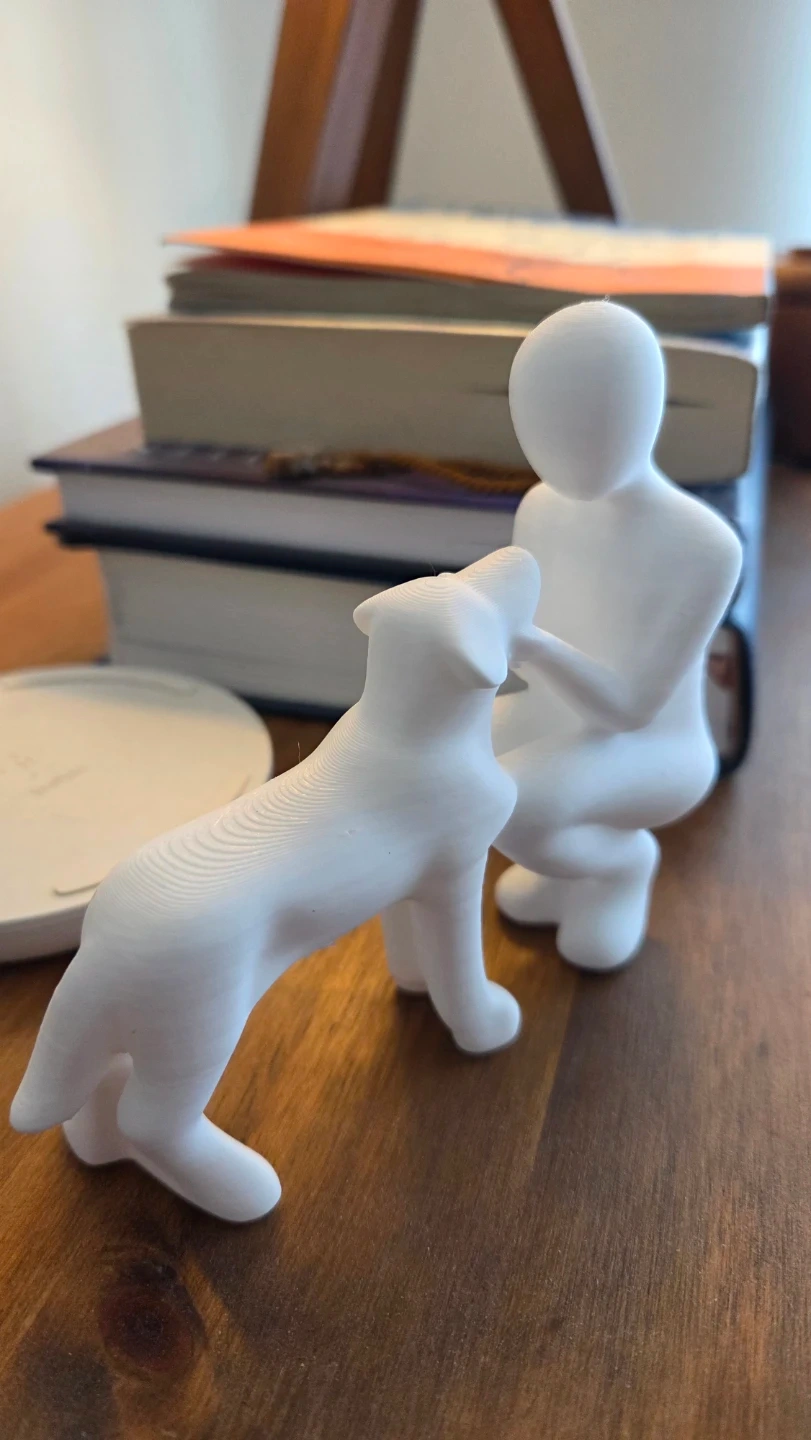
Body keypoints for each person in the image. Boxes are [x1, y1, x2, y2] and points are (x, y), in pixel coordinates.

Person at [493, 301, 743, 970]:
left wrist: (526, 641)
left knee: (510, 801)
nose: (566, 450)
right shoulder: (540, 508)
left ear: (647, 409)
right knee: (451, 761)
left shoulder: (702, 545)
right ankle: (562, 868)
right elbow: (526, 639)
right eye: (543, 427)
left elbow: (628, 708)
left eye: (593, 421)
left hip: (654, 745)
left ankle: (618, 865)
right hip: (558, 711)